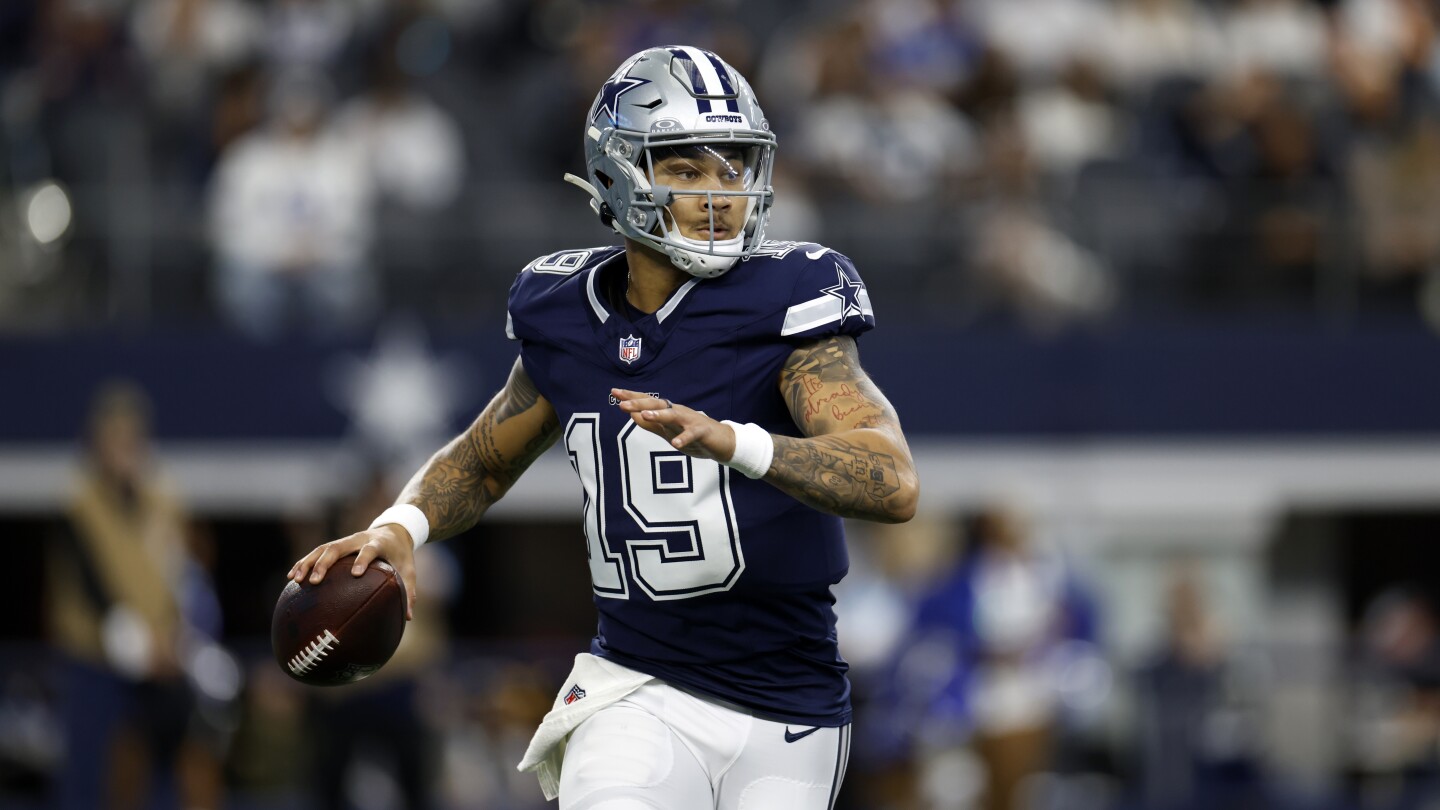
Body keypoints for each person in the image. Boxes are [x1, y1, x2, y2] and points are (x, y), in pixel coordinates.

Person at [290, 45, 920, 810]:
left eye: (733, 168)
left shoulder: (789, 298)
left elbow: (892, 480)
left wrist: (739, 444)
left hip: (789, 701)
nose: (719, 194)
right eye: (686, 169)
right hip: (636, 687)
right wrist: (401, 526)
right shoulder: (563, 310)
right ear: (619, 174)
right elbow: (485, 458)